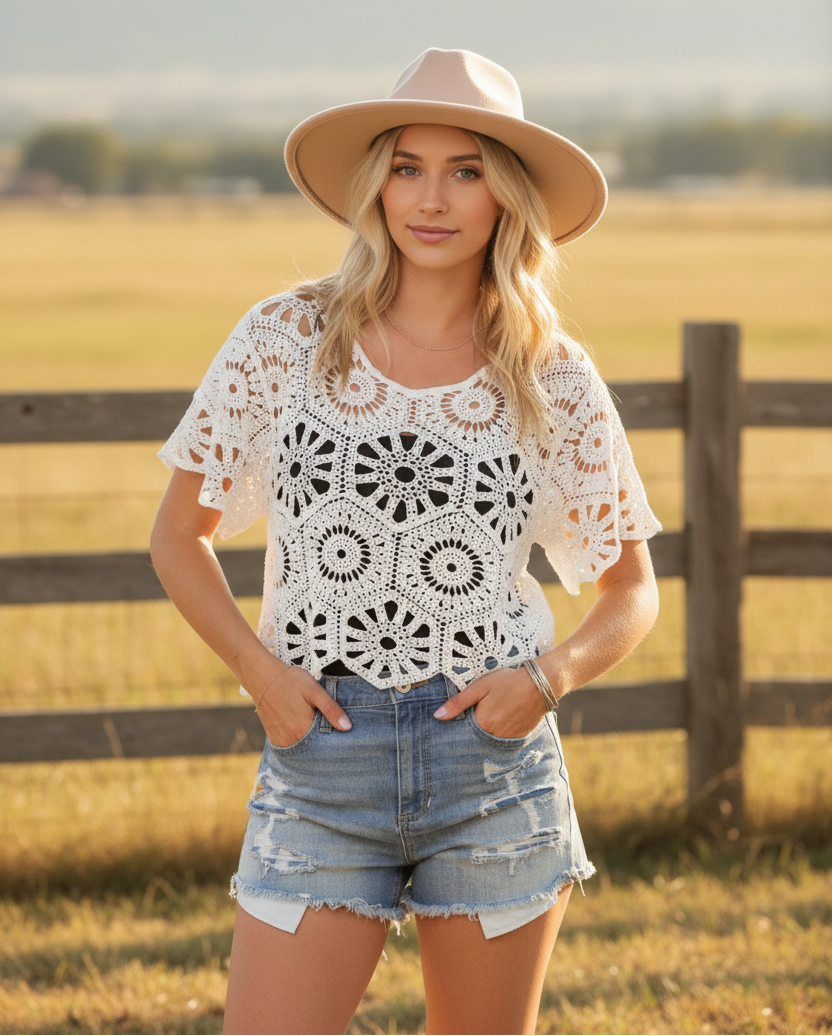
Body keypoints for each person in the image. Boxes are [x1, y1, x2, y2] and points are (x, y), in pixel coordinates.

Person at [151, 48, 661, 1036]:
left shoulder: (550, 373)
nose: (431, 199)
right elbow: (179, 536)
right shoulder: (282, 338)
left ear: (505, 196)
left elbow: (631, 587)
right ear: (374, 182)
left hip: (494, 759)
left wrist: (543, 682)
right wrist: (259, 672)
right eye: (407, 167)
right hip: (321, 756)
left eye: (466, 170)